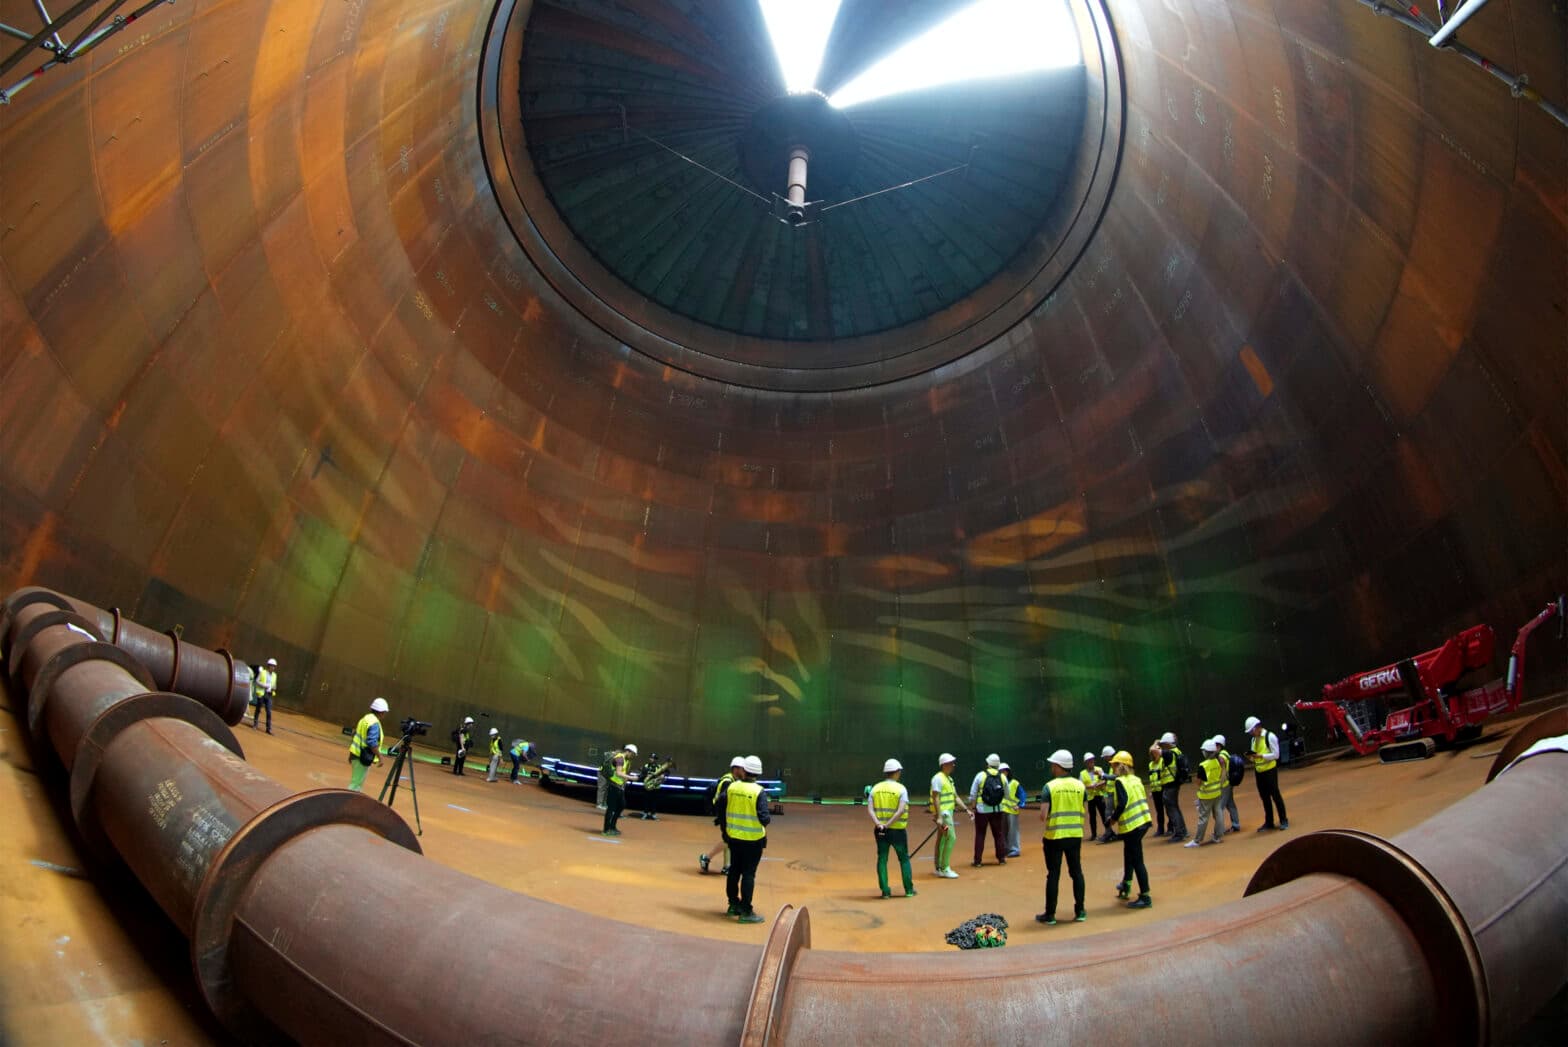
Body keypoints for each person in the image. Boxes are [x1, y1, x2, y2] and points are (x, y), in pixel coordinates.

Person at [1035, 750, 1087, 925]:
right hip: (1075, 835)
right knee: (1076, 873)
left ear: (1058, 767)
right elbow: (1082, 806)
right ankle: (1080, 911)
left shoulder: (1049, 787)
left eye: (1053, 764)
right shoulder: (1080, 786)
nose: (1051, 767)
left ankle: (1050, 915)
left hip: (1054, 836)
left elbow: (1043, 815)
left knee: (1053, 875)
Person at [722, 755, 770, 924]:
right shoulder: (758, 791)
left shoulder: (732, 787)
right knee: (748, 874)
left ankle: (733, 905)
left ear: (744, 769)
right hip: (753, 840)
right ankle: (746, 911)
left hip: (734, 837)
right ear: (758, 773)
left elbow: (721, 805)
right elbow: (765, 819)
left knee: (734, 870)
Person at [1106, 751, 1152, 908]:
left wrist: (1112, 819)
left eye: (1113, 765)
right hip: (1143, 821)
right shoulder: (1136, 779)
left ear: (1120, 766)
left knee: (1137, 860)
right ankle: (1126, 884)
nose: (1112, 768)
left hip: (1132, 825)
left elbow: (1123, 802)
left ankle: (1145, 896)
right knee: (1129, 853)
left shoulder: (1120, 782)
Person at [869, 759, 916, 899]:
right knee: (904, 859)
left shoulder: (875, 788)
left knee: (882, 859)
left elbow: (870, 810)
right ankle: (908, 890)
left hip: (880, 831)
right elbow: (900, 811)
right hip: (898, 831)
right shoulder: (901, 789)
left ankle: (885, 891)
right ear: (896, 772)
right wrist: (888, 825)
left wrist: (879, 824)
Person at [701, 756, 745, 875]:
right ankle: (706, 858)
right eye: (742, 769)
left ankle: (727, 866)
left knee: (728, 838)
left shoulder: (734, 780)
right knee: (729, 839)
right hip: (725, 814)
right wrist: (722, 817)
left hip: (728, 814)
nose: (744, 771)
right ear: (736, 769)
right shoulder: (727, 781)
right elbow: (723, 800)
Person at [929, 753, 970, 879]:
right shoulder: (938, 778)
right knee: (951, 838)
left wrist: (966, 809)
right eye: (951, 763)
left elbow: (955, 797)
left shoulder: (949, 779)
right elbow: (936, 797)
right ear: (944, 764)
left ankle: (939, 867)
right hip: (944, 814)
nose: (953, 765)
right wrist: (939, 816)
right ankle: (945, 867)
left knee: (942, 839)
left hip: (948, 813)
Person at [1246, 716, 1289, 830]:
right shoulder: (1253, 740)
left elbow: (1276, 755)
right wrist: (1252, 757)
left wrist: (1261, 756)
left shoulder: (1270, 736)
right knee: (1264, 797)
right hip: (1259, 772)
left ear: (1257, 727)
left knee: (1275, 795)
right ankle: (1269, 822)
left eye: (1251, 730)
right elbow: (1254, 756)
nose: (1251, 733)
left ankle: (1283, 820)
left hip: (1270, 771)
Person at [968, 753, 1010, 867]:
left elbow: (973, 794)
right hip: (997, 810)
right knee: (999, 834)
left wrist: (973, 806)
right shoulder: (1002, 777)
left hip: (982, 811)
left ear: (988, 764)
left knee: (980, 834)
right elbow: (1007, 795)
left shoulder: (980, 775)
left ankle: (978, 861)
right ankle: (1001, 859)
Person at [1186, 739, 1226, 847]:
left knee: (1203, 817)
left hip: (1206, 795)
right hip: (1217, 792)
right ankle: (1218, 836)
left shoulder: (1203, 765)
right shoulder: (1218, 761)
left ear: (1206, 752)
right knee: (1218, 813)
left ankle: (1197, 840)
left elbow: (1198, 782)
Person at [348, 698, 388, 791]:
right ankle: (346, 803)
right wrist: (380, 757)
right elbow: (372, 742)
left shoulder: (365, 719)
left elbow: (355, 735)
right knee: (355, 785)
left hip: (356, 755)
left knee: (357, 783)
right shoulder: (374, 723)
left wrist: (351, 754)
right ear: (381, 712)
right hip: (362, 757)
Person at [1157, 732, 1189, 841]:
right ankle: (1183, 831)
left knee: (1172, 809)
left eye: (1163, 743)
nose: (1161, 746)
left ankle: (1179, 833)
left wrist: (1155, 743)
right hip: (1175, 783)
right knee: (1175, 808)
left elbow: (1153, 750)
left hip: (1170, 785)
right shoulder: (1177, 751)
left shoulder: (1169, 753)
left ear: (1168, 744)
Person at [601, 743, 638, 836]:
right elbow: (618, 773)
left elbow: (621, 773)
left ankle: (612, 826)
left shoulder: (625, 760)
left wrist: (625, 779)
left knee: (621, 805)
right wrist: (631, 777)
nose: (633, 756)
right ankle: (606, 830)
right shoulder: (620, 758)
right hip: (613, 786)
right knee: (611, 808)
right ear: (628, 751)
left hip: (619, 787)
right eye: (632, 754)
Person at [1215, 733, 1242, 832]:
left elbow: (1222, 762)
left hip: (1225, 784)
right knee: (1230, 803)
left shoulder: (1221, 755)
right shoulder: (1225, 753)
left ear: (1219, 745)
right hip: (1228, 783)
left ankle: (1220, 829)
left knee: (1220, 806)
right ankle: (1236, 824)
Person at [1000, 763, 1023, 858]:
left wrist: (1020, 805)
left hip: (1012, 810)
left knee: (1013, 831)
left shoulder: (1014, 783)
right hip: (1001, 810)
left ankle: (1015, 849)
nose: (1002, 773)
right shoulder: (998, 782)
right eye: (1000, 771)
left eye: (1004, 771)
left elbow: (1022, 795)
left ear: (1008, 772)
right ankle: (1005, 849)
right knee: (1002, 830)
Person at [1080, 752, 1105, 842]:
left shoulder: (1099, 769)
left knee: (1103, 814)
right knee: (1092, 816)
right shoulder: (1082, 773)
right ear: (1086, 763)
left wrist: (1099, 784)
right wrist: (1090, 787)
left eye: (1092, 760)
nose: (1091, 762)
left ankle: (1108, 831)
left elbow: (1105, 780)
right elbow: (1081, 785)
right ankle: (1094, 834)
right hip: (1091, 798)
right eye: (1089, 761)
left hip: (1099, 795)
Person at [640, 753, 673, 820]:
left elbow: (667, 772)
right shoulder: (646, 765)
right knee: (646, 800)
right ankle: (645, 813)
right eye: (650, 758)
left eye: (653, 758)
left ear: (655, 759)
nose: (651, 759)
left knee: (654, 801)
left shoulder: (659, 766)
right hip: (647, 785)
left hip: (655, 786)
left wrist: (663, 775)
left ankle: (653, 814)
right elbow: (642, 774)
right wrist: (644, 773)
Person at [1097, 746, 1119, 842]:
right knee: (1108, 813)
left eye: (1105, 757)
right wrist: (1103, 782)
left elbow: (1116, 777)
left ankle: (1110, 833)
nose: (1104, 759)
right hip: (1109, 794)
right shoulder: (1111, 765)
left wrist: (1103, 775)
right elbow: (1111, 780)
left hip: (1116, 794)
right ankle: (1109, 832)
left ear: (1109, 756)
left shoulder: (1117, 763)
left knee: (1115, 813)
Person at [251, 657, 277, 732]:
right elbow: (257, 681)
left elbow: (275, 684)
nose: (273, 667)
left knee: (269, 711)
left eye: (274, 666)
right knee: (258, 709)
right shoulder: (263, 672)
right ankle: (255, 724)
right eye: (272, 666)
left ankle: (268, 729)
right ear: (268, 666)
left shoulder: (275, 675)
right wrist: (264, 685)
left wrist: (274, 687)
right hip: (262, 694)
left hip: (269, 695)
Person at [1147, 744, 1167, 837]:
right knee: (1159, 811)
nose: (1154, 754)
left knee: (1168, 809)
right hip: (1155, 791)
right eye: (1153, 753)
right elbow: (1152, 778)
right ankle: (1160, 829)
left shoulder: (1163, 761)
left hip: (1163, 789)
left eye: (1156, 752)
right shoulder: (1151, 764)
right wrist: (1151, 790)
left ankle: (1171, 828)